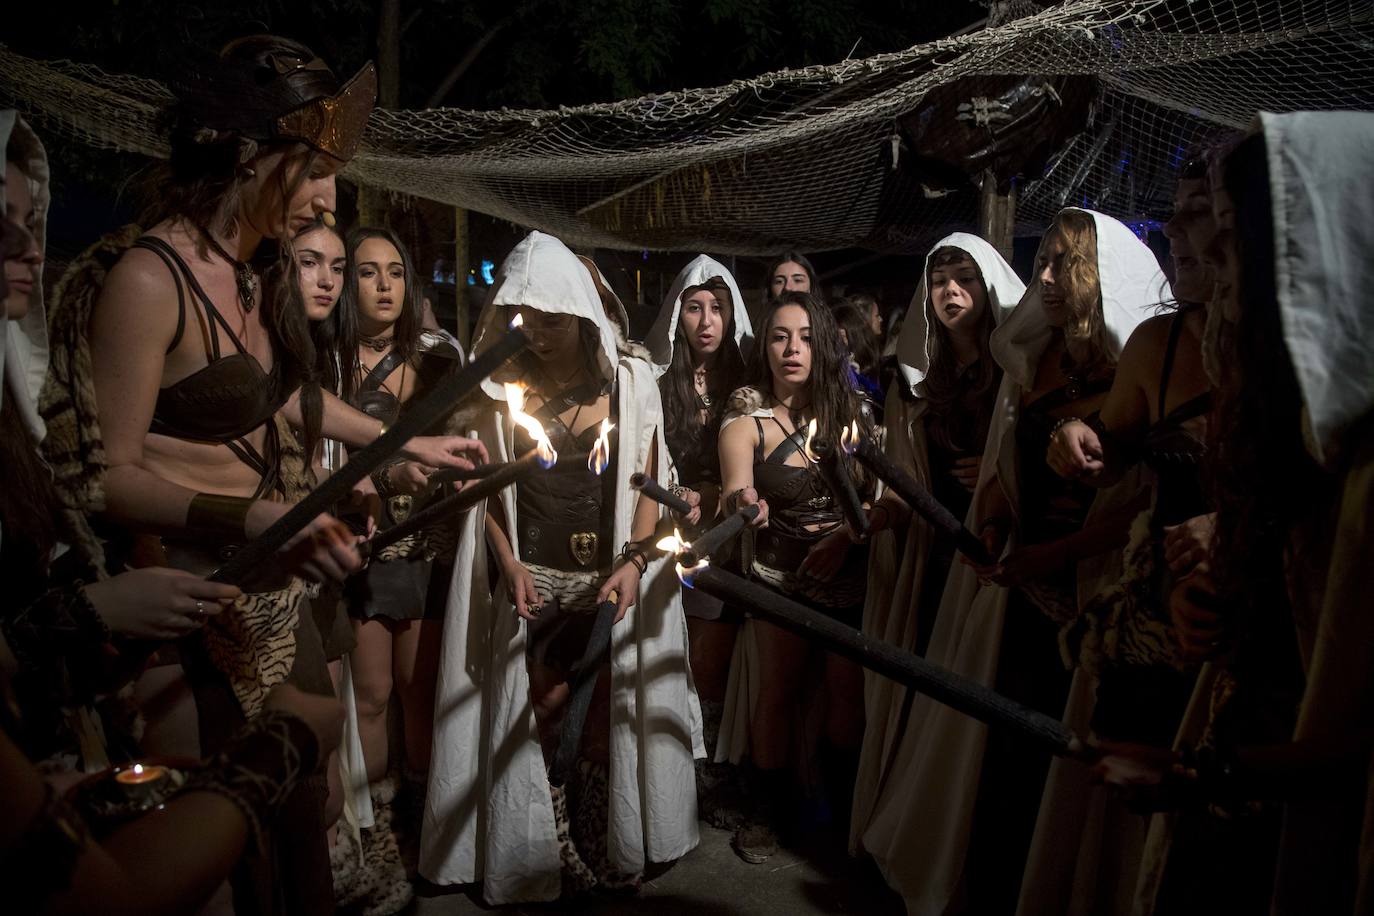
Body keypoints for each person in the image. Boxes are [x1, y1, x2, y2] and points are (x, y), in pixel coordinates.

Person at [1095, 113, 1374, 916]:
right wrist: (1219, 599)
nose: (1214, 277)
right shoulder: (1288, 435)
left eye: (1229, 250)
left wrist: (1208, 774)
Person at [862, 209, 1167, 914]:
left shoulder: (1138, 363)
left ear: (1099, 274)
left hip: (1101, 594)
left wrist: (1049, 553)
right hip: (1020, 595)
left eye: (1063, 263)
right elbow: (1006, 465)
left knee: (1072, 772)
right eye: (1043, 264)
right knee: (1003, 761)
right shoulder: (1032, 358)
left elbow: (1143, 500)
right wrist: (997, 521)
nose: (1048, 277)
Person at [422, 231, 702, 903]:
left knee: (604, 708)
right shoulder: (501, 388)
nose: (537, 332)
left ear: (579, 312)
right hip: (535, 576)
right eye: (526, 318)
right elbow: (485, 493)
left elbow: (645, 480)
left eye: (551, 317)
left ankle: (600, 835)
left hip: (606, 578)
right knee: (544, 707)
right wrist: (509, 560)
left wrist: (635, 564)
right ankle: (545, 840)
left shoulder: (632, 380)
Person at [1017, 158, 1221, 915]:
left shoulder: (1306, 352)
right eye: (1180, 220)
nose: (1186, 236)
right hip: (1157, 634)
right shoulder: (1158, 348)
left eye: (1210, 220)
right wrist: (1074, 436)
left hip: (1264, 642)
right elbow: (1113, 452)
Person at [849, 233, 1024, 855]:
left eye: (965, 279)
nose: (951, 291)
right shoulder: (914, 386)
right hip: (939, 559)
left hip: (1002, 558)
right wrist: (880, 520)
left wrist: (1005, 472)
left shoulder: (1018, 372)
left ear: (988, 287)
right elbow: (903, 483)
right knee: (933, 694)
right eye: (940, 279)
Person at [715, 290, 875, 864]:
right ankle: (766, 813)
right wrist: (746, 503)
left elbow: (877, 500)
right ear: (766, 344)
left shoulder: (851, 413)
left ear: (824, 345)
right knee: (777, 694)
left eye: (805, 337)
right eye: (781, 336)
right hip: (777, 577)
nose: (792, 348)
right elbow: (736, 486)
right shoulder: (748, 420)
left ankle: (837, 817)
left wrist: (847, 538)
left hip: (848, 576)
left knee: (844, 702)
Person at [338, 227, 465, 904]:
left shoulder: (440, 363)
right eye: (367, 272)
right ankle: (376, 825)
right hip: (362, 547)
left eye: (395, 272)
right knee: (373, 693)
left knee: (420, 690)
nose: (384, 285)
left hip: (427, 542)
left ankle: (421, 824)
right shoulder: (327, 364)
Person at [644, 255, 752, 775]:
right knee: (666, 653)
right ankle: (664, 768)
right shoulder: (656, 380)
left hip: (726, 536)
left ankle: (702, 770)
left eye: (717, 308)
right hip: (667, 529)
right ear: (677, 317)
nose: (706, 321)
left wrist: (715, 490)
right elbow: (644, 451)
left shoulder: (747, 383)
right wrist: (675, 488)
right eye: (694, 308)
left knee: (713, 660)